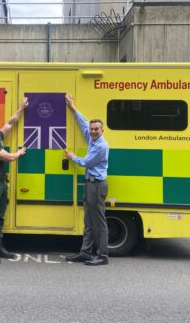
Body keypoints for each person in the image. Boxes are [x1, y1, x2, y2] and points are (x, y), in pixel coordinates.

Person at [64, 94, 109, 266]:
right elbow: (83, 123)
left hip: (97, 185)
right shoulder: (92, 138)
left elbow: (86, 162)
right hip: (90, 184)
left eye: (96, 129)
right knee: (89, 221)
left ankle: (103, 256)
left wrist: (72, 156)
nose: (93, 131)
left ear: (102, 131)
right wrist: (73, 108)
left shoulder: (101, 145)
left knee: (99, 221)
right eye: (92, 129)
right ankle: (86, 252)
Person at [0, 97, 28, 264]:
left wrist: (21, 108)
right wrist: (19, 153)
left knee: (0, 216)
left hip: (0, 182)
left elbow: (10, 123)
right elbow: (8, 157)